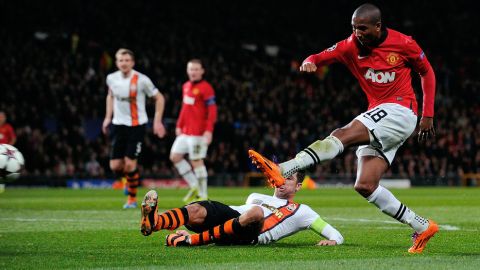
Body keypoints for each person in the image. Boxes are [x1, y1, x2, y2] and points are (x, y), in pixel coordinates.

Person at [248, 3, 438, 254]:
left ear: (378, 26)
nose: (357, 33)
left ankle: (285, 168)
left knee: (342, 135)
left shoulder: (404, 43)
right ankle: (422, 226)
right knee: (365, 185)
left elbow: (427, 72)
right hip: (380, 114)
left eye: (363, 28)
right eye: (354, 28)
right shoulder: (350, 45)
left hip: (401, 110)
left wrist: (428, 114)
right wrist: (310, 61)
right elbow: (319, 56)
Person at [140, 170, 344, 247]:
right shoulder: (256, 196)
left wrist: (332, 241)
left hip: (253, 234)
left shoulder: (302, 211)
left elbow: (335, 234)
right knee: (198, 207)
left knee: (256, 212)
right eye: (281, 176)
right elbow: (236, 213)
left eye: (288, 179)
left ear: (298, 186)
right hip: (231, 223)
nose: (282, 181)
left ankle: (191, 240)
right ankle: (155, 223)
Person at [102, 48, 166, 209]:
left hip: (137, 126)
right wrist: (107, 117)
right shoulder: (111, 78)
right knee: (115, 166)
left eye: (127, 60)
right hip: (118, 124)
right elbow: (110, 96)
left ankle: (131, 199)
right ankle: (127, 181)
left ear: (132, 62)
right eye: (121, 60)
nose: (124, 63)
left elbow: (159, 98)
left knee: (130, 165)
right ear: (117, 63)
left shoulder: (142, 80)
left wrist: (157, 121)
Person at [170, 59, 217, 202]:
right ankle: (194, 184)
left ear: (202, 71)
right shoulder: (186, 86)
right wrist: (179, 124)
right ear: (187, 71)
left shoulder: (206, 88)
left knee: (196, 160)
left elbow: (212, 110)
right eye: (191, 69)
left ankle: (203, 194)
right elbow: (185, 108)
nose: (193, 72)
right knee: (175, 157)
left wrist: (209, 130)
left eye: (196, 69)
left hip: (198, 133)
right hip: (185, 132)